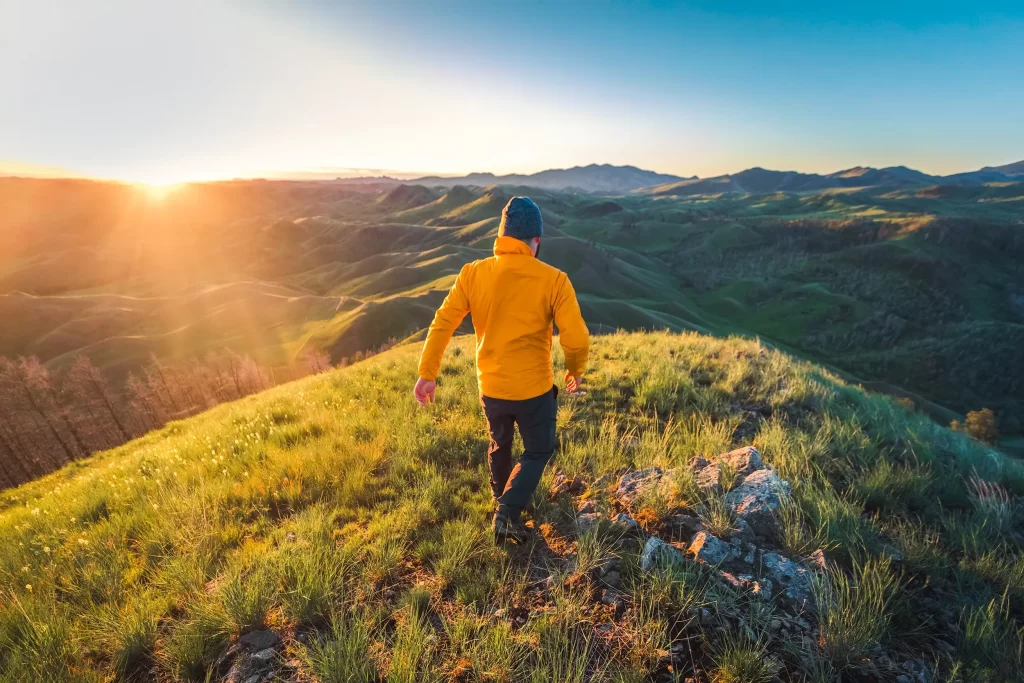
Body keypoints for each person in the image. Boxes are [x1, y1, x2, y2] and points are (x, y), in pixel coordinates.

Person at [413, 196, 590, 542]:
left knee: (500, 443)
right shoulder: (554, 280)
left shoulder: (472, 273)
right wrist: (575, 368)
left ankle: (501, 498)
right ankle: (506, 513)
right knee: (538, 449)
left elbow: (442, 322)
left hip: (491, 387)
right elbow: (576, 336)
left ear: (502, 236)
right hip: (534, 390)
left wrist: (428, 373)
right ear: (536, 241)